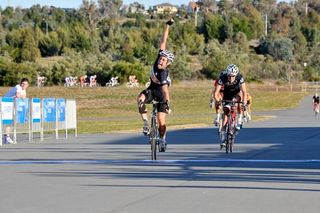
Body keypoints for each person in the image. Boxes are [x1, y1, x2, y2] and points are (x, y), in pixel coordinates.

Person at [136, 18, 175, 152]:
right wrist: (167, 26)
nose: (160, 61)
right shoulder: (157, 61)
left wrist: (168, 103)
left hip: (162, 95)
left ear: (167, 63)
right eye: (160, 58)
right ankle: (146, 123)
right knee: (140, 99)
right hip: (152, 90)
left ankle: (163, 139)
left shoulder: (163, 73)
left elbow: (165, 90)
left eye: (163, 60)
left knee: (161, 121)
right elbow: (163, 42)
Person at [213, 64, 247, 147]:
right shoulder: (223, 78)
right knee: (225, 114)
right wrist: (217, 101)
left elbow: (244, 91)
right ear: (227, 74)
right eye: (229, 76)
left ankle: (239, 119)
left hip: (236, 93)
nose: (231, 78)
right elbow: (216, 92)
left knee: (239, 99)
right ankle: (224, 137)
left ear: (236, 75)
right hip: (227, 94)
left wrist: (244, 101)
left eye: (233, 76)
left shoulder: (239, 77)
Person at [3, 78, 30, 144]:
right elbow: (18, 96)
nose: (24, 85)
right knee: (8, 122)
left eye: (25, 84)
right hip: (5, 104)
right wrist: (21, 96)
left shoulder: (24, 90)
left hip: (10, 106)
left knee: (10, 122)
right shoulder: (18, 87)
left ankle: (6, 137)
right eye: (23, 83)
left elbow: (23, 99)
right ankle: (6, 137)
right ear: (21, 83)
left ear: (28, 85)